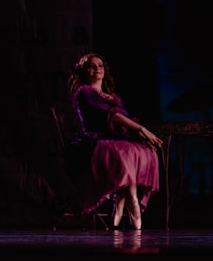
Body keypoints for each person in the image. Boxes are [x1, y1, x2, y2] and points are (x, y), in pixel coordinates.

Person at [67, 52, 163, 231]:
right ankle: (128, 202)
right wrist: (141, 129)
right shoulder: (84, 93)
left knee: (144, 150)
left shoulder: (112, 97)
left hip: (115, 141)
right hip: (96, 143)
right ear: (84, 71)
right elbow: (111, 116)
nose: (97, 69)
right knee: (125, 153)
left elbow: (124, 122)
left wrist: (139, 134)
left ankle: (122, 200)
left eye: (100, 65)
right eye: (92, 66)